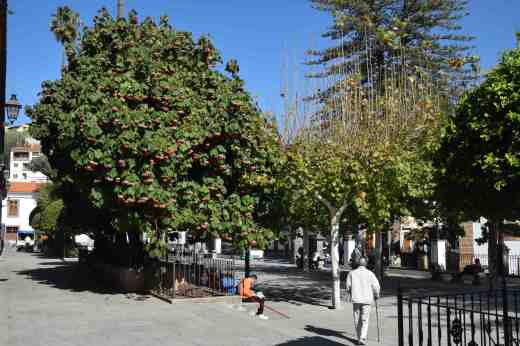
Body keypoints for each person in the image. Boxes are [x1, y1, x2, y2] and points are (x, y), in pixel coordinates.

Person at [346, 257, 381, 345]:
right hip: (367, 299)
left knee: (357, 319)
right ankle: (363, 337)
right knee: (365, 319)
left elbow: (348, 287)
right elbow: (376, 286)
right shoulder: (370, 273)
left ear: (358, 264)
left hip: (356, 299)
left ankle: (359, 338)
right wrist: (376, 295)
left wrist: (350, 293)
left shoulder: (352, 273)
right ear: (366, 264)